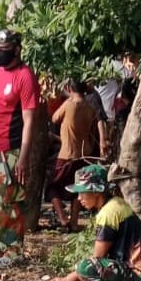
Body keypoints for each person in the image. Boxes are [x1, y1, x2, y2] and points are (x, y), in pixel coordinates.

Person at [0, 29, 40, 270]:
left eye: (5, 50)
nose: (0, 54)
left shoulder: (25, 76)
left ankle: (13, 251)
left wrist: (23, 156)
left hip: (8, 150)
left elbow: (29, 120)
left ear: (16, 49)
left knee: (7, 203)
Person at [48, 79, 98, 232]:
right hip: (84, 154)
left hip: (67, 154)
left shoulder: (69, 104)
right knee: (79, 188)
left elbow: (55, 118)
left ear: (69, 88)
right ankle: (74, 221)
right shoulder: (90, 108)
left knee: (52, 187)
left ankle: (63, 219)